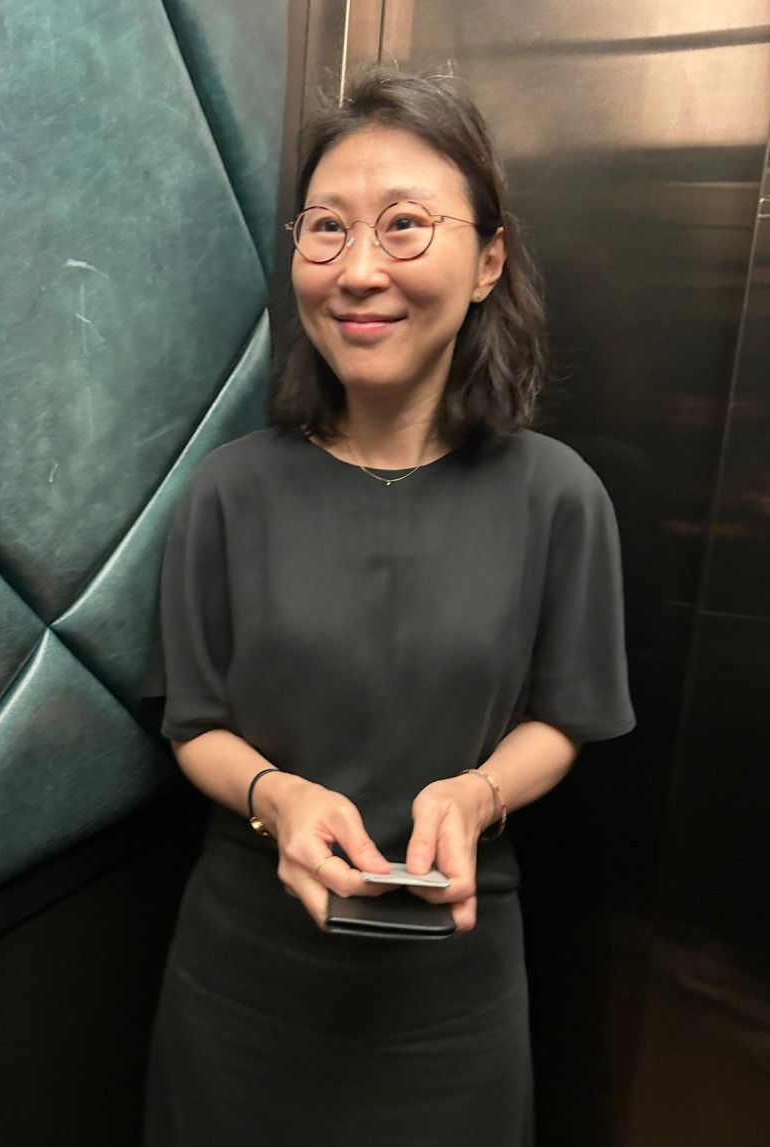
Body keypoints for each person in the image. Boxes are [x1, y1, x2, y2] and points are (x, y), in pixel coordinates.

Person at [144, 66, 635, 1146]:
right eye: (326, 228)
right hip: (242, 984)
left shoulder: (558, 495)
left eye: (404, 225)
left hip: (451, 993)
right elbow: (194, 722)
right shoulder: (229, 489)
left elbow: (564, 717)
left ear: (488, 260)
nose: (359, 270)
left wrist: (476, 793)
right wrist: (276, 796)